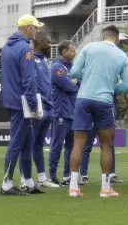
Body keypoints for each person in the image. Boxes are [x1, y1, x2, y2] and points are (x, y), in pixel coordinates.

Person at [68, 24, 128, 198]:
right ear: (117, 38)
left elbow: (74, 71)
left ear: (103, 36)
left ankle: (73, 187)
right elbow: (127, 86)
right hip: (104, 101)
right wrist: (111, 86)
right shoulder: (121, 55)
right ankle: (105, 188)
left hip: (83, 99)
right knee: (106, 145)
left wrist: (88, 78)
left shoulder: (89, 47)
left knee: (78, 143)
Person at [0, 15, 44, 196]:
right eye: (35, 27)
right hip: (23, 103)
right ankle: (6, 183)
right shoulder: (25, 48)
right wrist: (33, 104)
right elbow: (28, 79)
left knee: (27, 141)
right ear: (26, 27)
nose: (37, 30)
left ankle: (27, 181)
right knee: (17, 142)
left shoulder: (6, 47)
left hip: (13, 100)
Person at [31, 31, 58, 188]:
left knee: (38, 145)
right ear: (39, 42)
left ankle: (42, 178)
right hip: (39, 108)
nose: (50, 45)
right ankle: (25, 178)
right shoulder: (32, 59)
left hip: (49, 107)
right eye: (47, 42)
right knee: (29, 144)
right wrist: (35, 104)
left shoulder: (45, 60)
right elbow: (32, 84)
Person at [49, 40, 78, 185]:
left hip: (73, 112)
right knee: (57, 145)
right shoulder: (57, 67)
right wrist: (75, 82)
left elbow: (79, 83)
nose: (75, 52)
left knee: (71, 146)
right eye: (72, 50)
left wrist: (75, 82)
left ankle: (67, 176)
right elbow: (68, 86)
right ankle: (52, 175)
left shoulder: (74, 67)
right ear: (64, 51)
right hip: (61, 112)